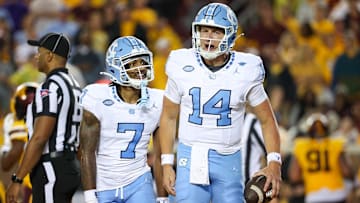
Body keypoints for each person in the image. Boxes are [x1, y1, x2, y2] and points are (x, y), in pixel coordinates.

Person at [158, 3, 282, 203]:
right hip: (189, 156)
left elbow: (267, 120)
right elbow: (169, 116)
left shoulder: (246, 69)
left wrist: (274, 162)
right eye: (204, 30)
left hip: (229, 160)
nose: (208, 37)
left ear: (231, 36)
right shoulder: (181, 64)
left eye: (216, 32)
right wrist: (166, 163)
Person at [79, 36, 167, 203]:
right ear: (115, 66)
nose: (139, 68)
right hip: (104, 184)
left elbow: (159, 154)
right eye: (132, 64)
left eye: (142, 62)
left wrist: (162, 197)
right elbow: (86, 152)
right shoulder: (97, 98)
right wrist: (90, 196)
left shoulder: (158, 100)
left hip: (139, 181)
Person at [6, 32, 83, 203]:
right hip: (69, 164)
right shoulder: (75, 86)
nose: (36, 56)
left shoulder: (50, 86)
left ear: (49, 56)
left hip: (52, 165)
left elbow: (40, 137)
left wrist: (18, 179)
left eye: (39, 52)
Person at [288, 113, 354, 203]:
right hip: (337, 194)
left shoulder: (301, 146)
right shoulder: (336, 144)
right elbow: (346, 171)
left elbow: (294, 176)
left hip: (314, 195)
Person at [1, 82, 38, 203]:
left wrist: (5, 151)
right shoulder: (47, 123)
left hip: (28, 181)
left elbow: (9, 161)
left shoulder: (20, 124)